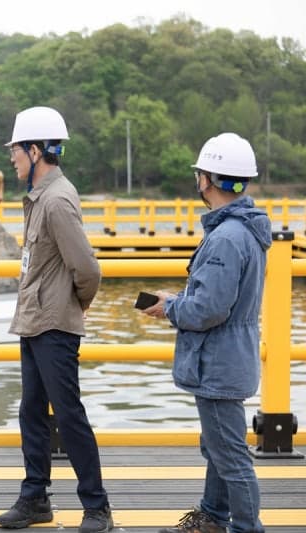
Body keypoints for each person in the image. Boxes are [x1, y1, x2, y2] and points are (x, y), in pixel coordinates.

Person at [142, 132, 270, 533]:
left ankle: (246, 527)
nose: (197, 179)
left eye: (199, 173)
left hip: (218, 361)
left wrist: (169, 307)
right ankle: (212, 516)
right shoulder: (243, 230)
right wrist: (180, 298)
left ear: (209, 179)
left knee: (230, 455)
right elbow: (216, 297)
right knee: (217, 447)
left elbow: (209, 309)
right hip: (230, 355)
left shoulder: (226, 238)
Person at [0, 107, 113, 533]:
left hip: (54, 325)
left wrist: (73, 306)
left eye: (16, 150)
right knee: (31, 412)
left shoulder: (58, 199)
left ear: (36, 151)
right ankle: (35, 498)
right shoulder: (39, 196)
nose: (11, 157)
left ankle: (97, 507)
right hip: (34, 321)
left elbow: (88, 269)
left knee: (68, 414)